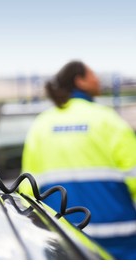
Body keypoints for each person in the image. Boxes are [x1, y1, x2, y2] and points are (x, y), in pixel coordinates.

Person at [20, 60, 136, 259]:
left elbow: (27, 187)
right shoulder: (107, 119)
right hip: (117, 232)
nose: (97, 79)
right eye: (92, 74)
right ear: (79, 81)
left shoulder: (42, 123)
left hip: (63, 234)